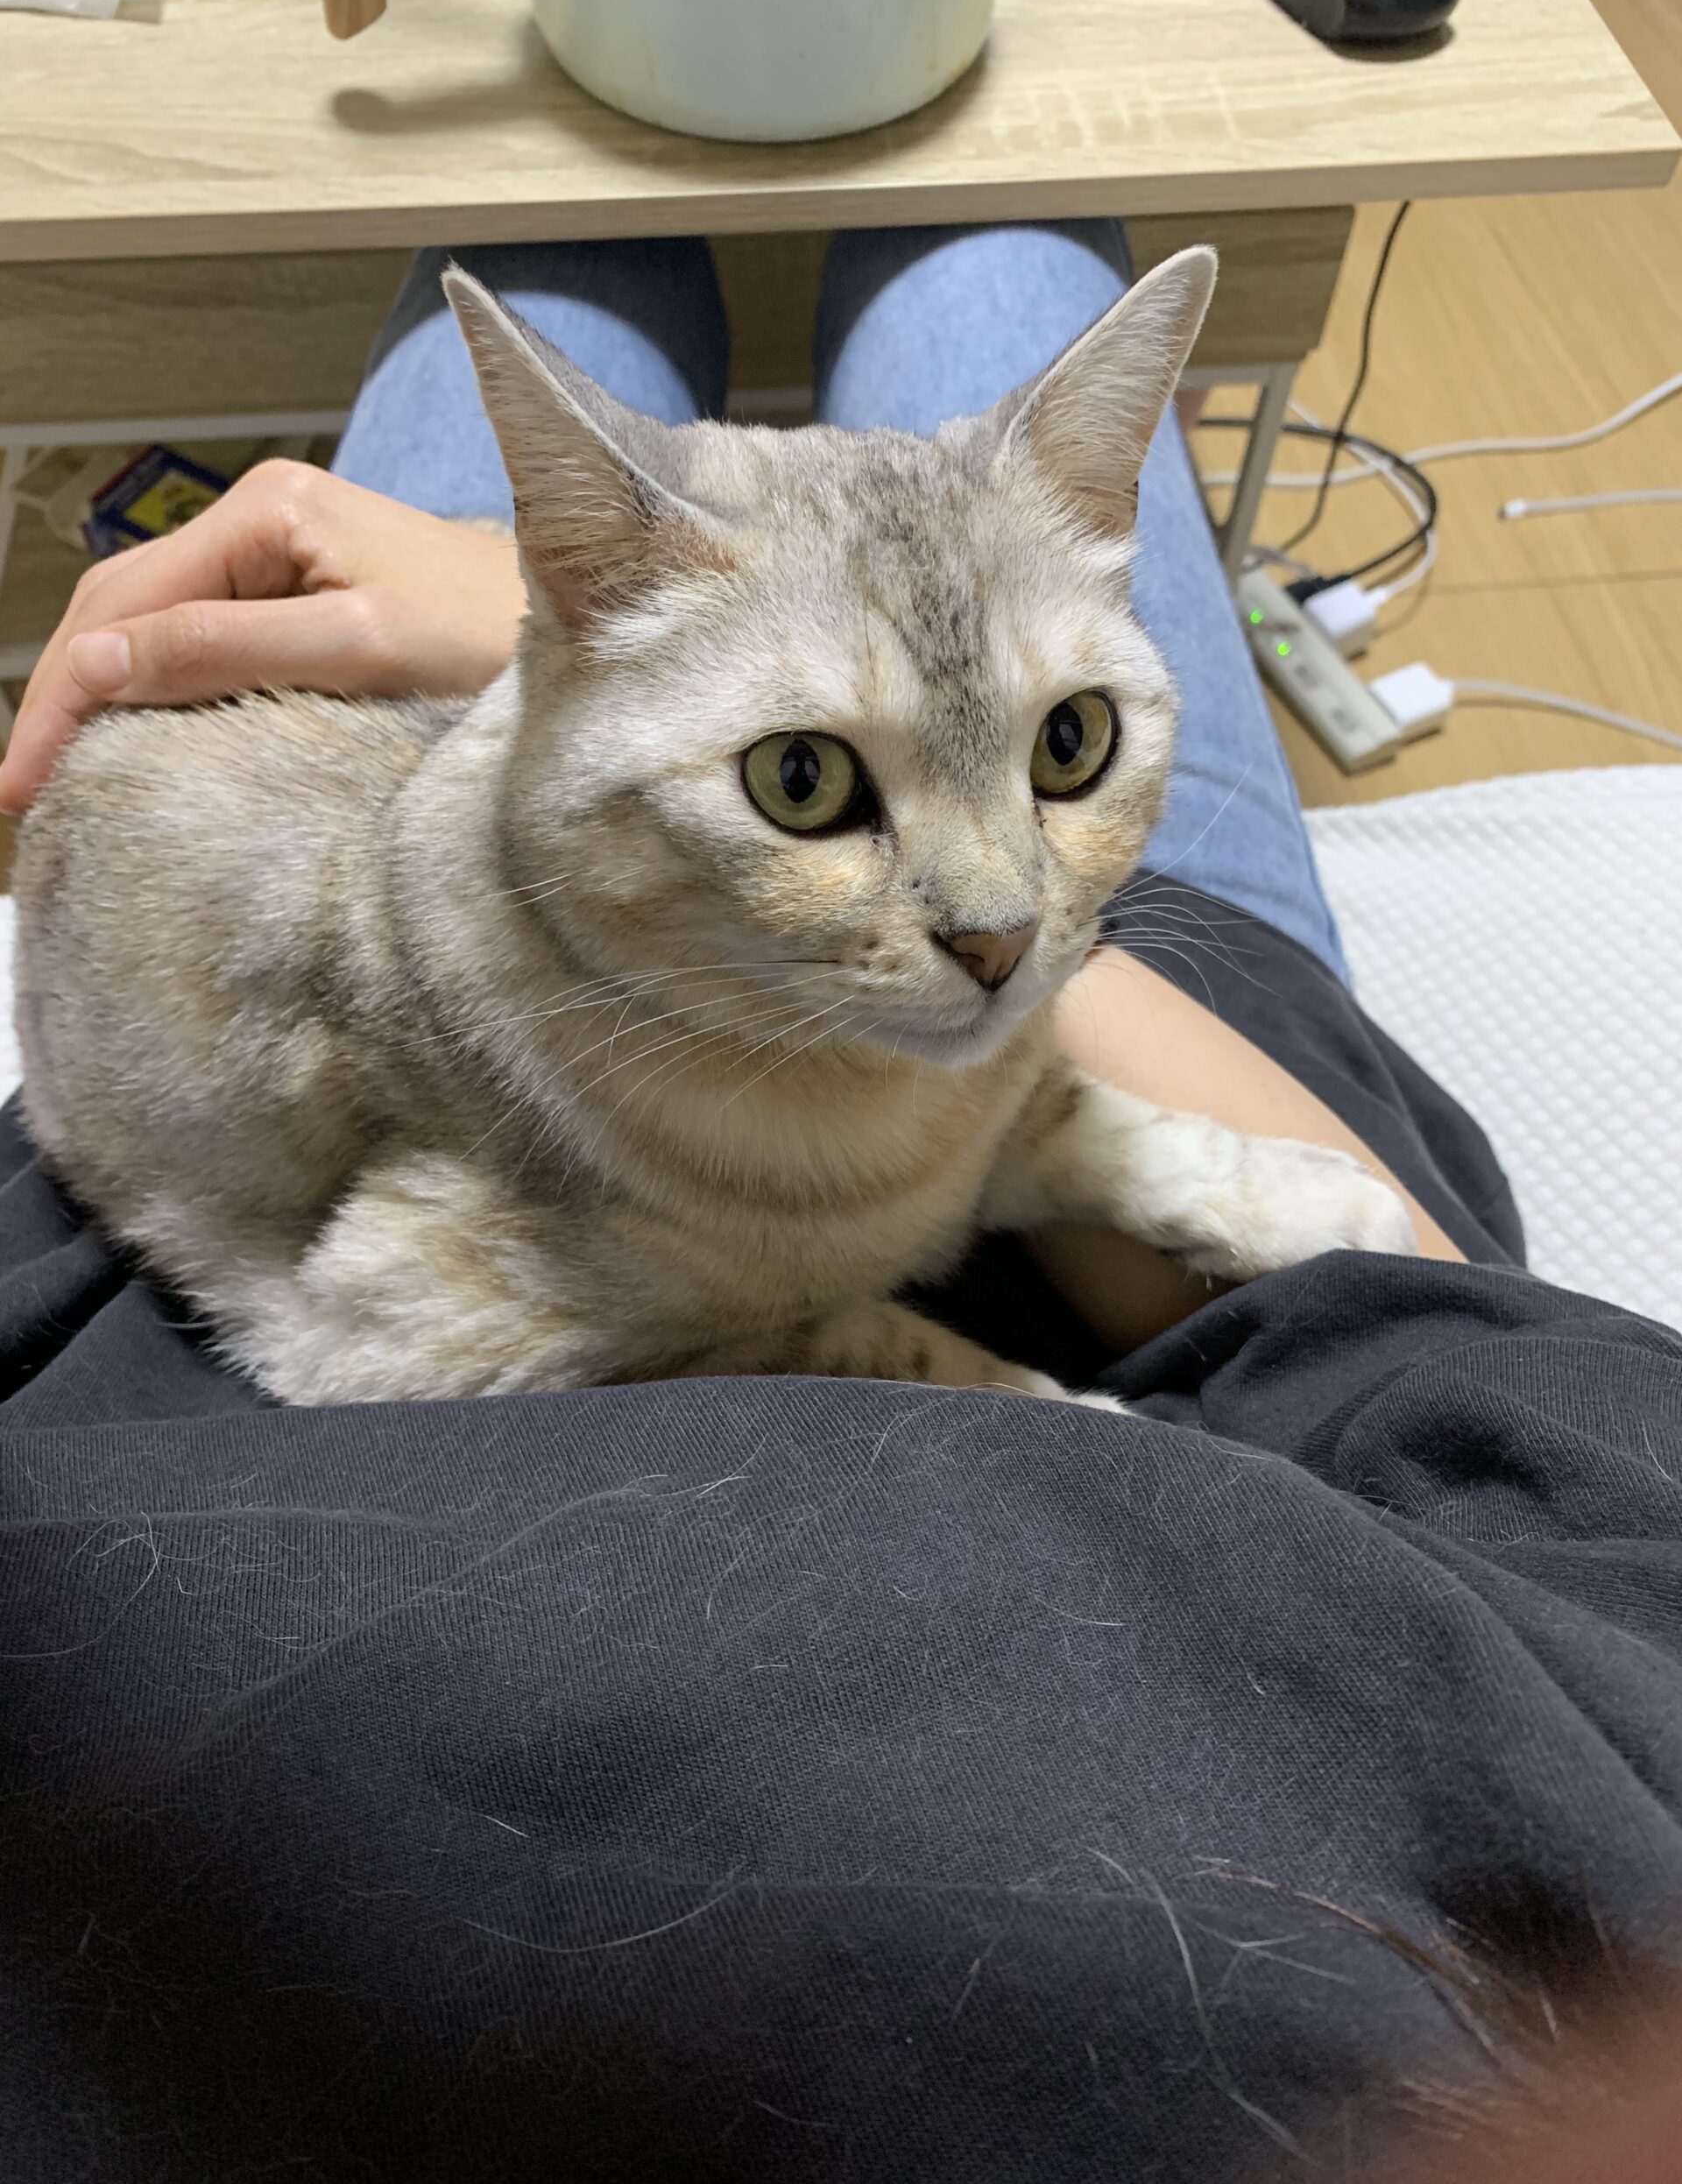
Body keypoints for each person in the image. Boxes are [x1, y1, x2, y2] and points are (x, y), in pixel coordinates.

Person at [0, 225, 1675, 2184]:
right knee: (1004, 255)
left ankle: (643, 234)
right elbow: (1503, 1393)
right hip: (626, 914)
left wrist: (1038, 1137)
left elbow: (373, 1333)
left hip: (403, 1048)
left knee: (555, 261)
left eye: (1072, 743)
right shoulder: (1577, 1887)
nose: (994, 916)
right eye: (816, 780)